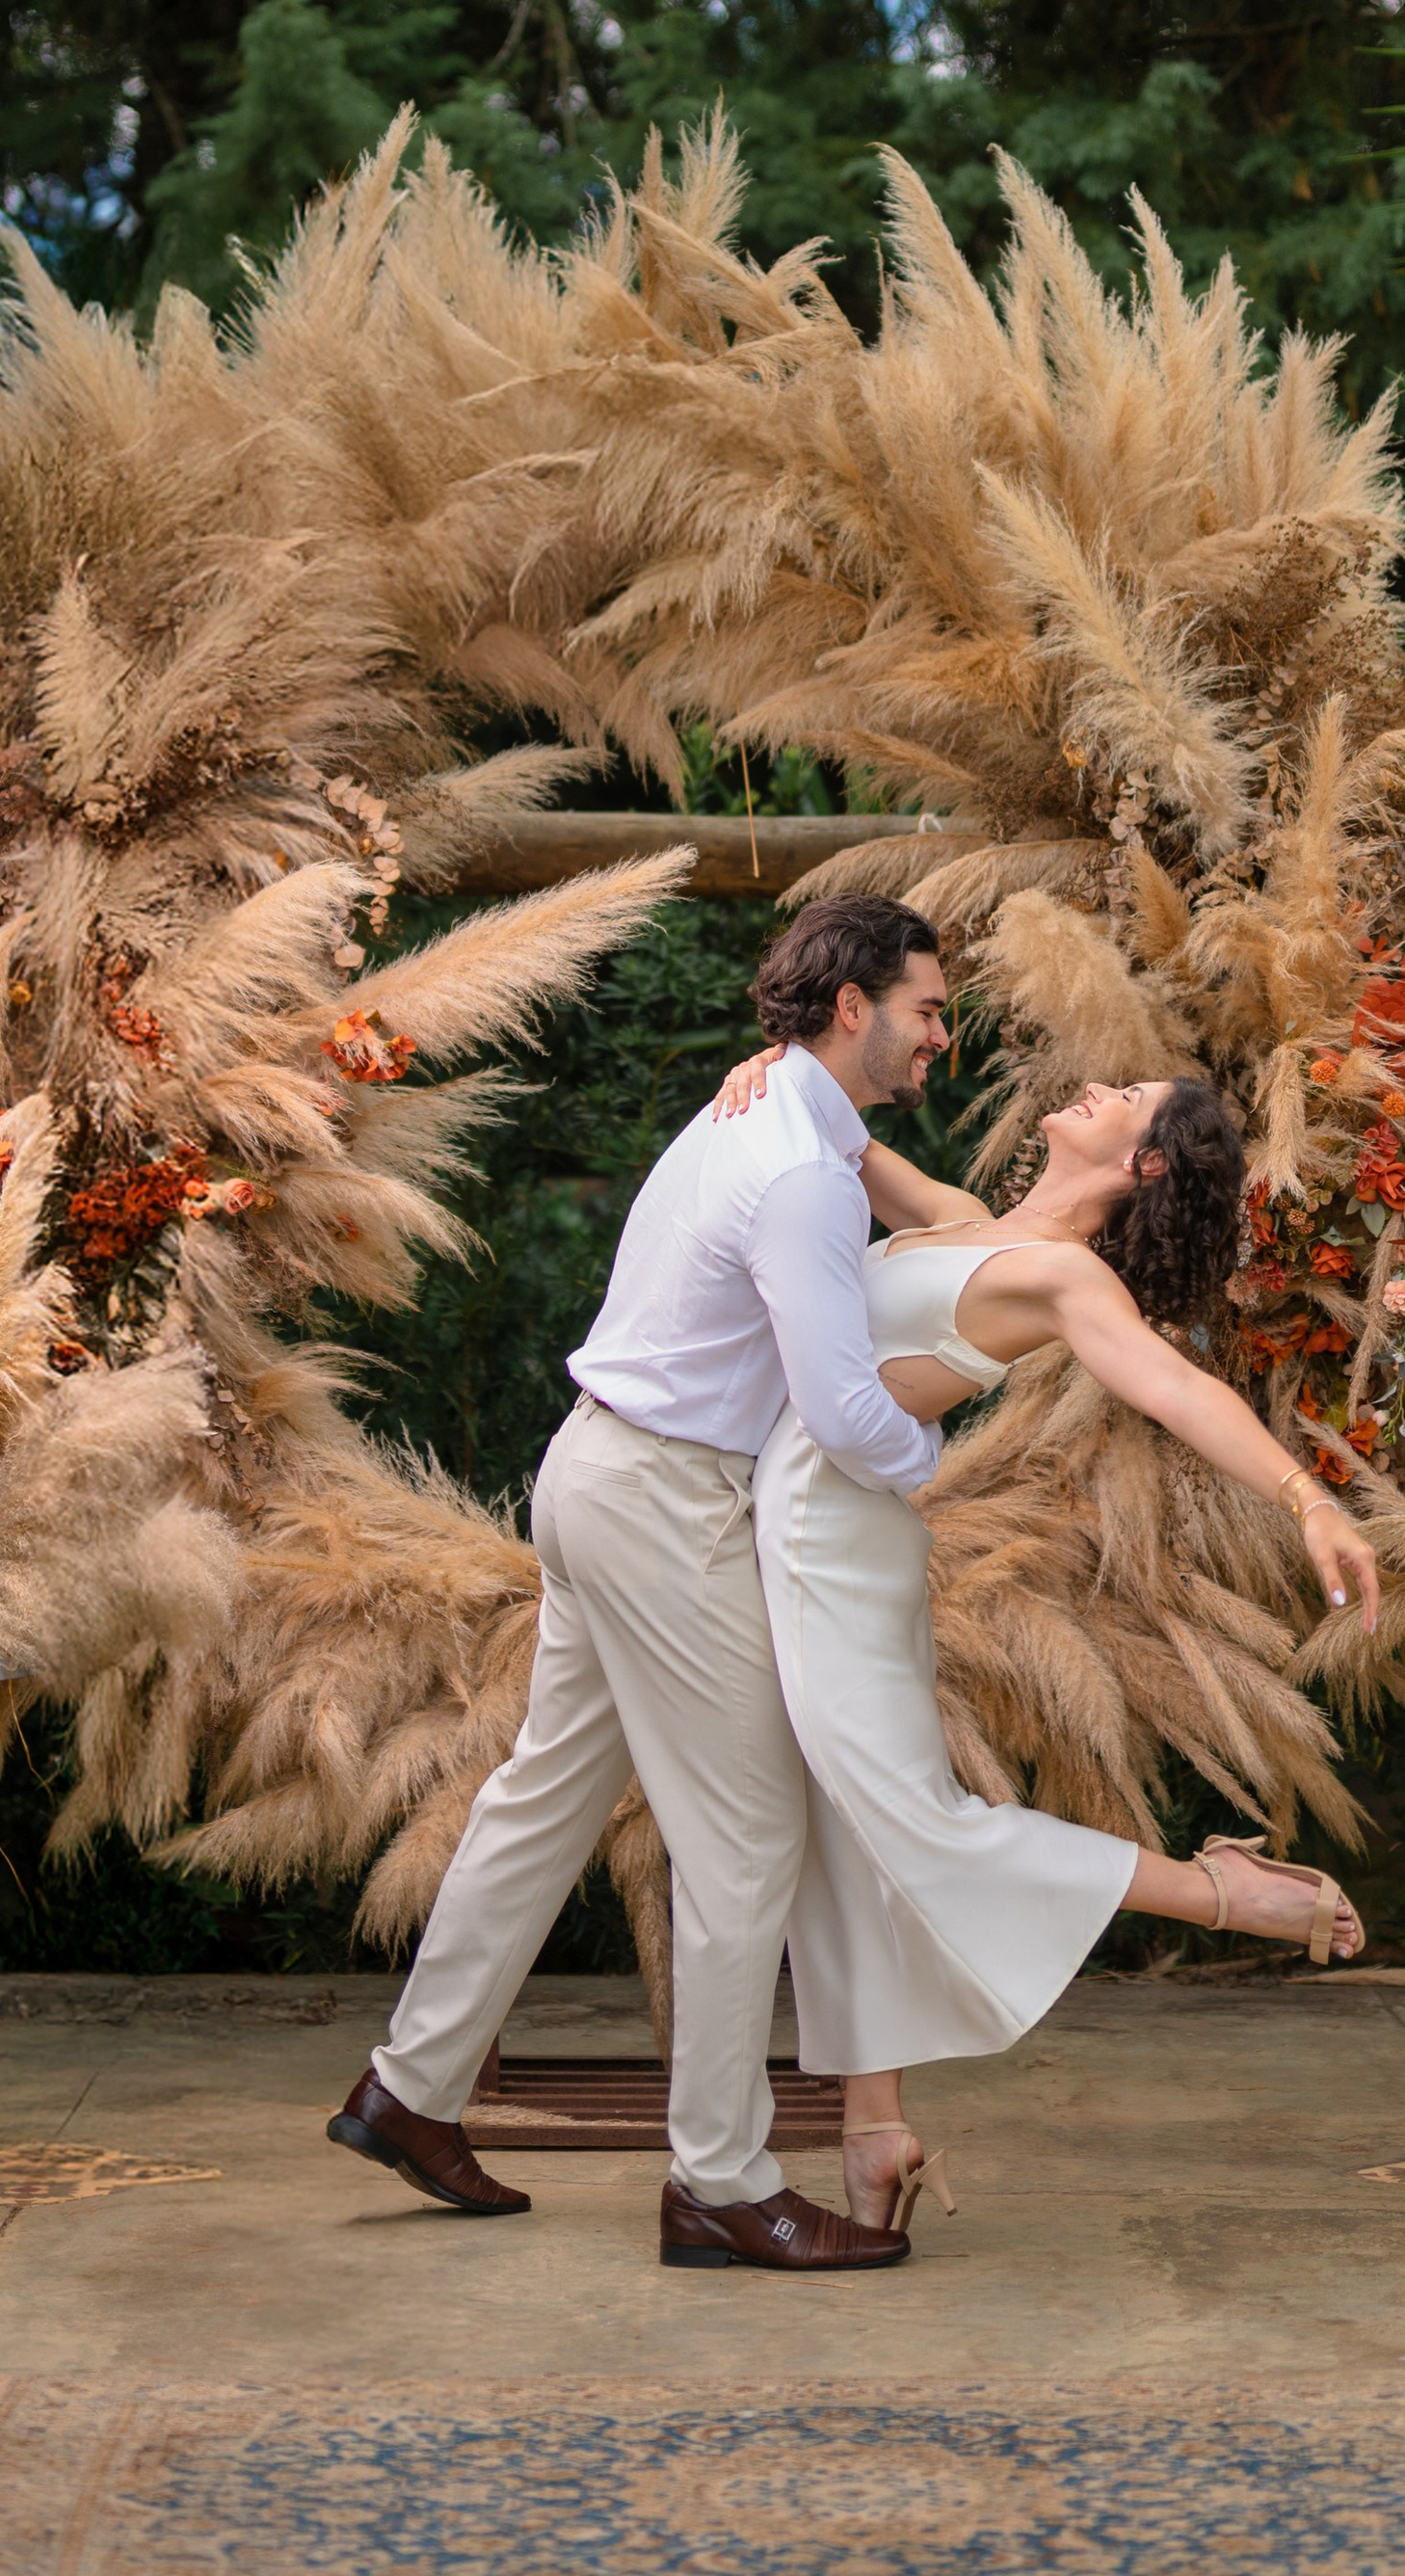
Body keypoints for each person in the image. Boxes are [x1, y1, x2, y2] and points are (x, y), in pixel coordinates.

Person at [328, 895, 962, 2271]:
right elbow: (845, 1410)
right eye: (926, 1010)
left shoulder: (780, 1116)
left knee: (545, 1796)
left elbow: (890, 1178)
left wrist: (814, 1088)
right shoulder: (795, 1168)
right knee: (746, 1839)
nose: (942, 1037)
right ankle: (721, 2183)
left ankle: (411, 2089)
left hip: (598, 1473)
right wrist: (936, 1458)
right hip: (666, 1503)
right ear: (853, 1008)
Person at [714, 1037, 1376, 2236]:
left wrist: (1307, 1499)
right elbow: (839, 1139)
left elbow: (1178, 1394)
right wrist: (768, 1065)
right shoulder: (962, 1217)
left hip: (827, 1540)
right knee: (846, 1830)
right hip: (812, 1526)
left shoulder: (1068, 1279)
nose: (1091, 1088)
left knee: (905, 1821)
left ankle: (1217, 1894)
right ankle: (874, 2135)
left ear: (1145, 1161)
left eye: (1123, 1099)